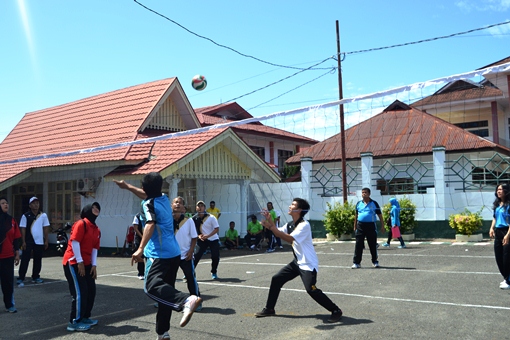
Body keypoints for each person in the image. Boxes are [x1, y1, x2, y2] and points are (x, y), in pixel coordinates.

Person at [114, 174, 201, 340]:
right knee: (164, 295)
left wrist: (140, 248)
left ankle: (186, 300)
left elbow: (150, 224)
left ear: (145, 188)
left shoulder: (148, 204)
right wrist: (127, 187)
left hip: (158, 254)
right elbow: (146, 194)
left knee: (151, 286)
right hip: (174, 253)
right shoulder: (163, 197)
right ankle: (163, 333)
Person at [255, 198, 343, 323]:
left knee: (310, 289)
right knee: (276, 279)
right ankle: (269, 309)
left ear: (299, 210)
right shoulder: (290, 224)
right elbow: (278, 231)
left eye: (293, 205)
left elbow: (289, 238)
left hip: (308, 263)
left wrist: (270, 226)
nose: (290, 206)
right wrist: (269, 219)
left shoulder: (304, 225)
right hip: (297, 262)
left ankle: (335, 310)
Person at [62, 202, 102, 332]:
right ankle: (74, 322)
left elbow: (95, 248)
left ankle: (85, 317)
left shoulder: (96, 229)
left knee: (91, 290)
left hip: (86, 263)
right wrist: (79, 262)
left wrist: (93, 265)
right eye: (93, 207)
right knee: (80, 292)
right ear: (87, 210)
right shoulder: (81, 223)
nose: (96, 209)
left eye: (98, 208)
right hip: (73, 262)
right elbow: (75, 242)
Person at [17, 196, 50, 286]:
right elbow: (23, 228)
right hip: (28, 241)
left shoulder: (43, 215)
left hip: (39, 241)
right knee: (25, 259)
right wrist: (23, 241)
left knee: (38, 259)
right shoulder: (26, 216)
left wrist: (46, 240)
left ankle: (36, 276)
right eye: (34, 203)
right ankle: (21, 277)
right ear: (30, 205)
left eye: (37, 203)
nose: (36, 205)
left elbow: (46, 228)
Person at [172, 196, 201, 300]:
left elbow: (194, 237)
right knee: (169, 279)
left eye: (180, 203)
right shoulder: (167, 221)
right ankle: (165, 301)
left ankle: (196, 300)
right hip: (171, 255)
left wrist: (191, 251)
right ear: (171, 205)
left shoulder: (188, 221)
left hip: (185, 255)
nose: (177, 204)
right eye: (175, 202)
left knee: (190, 278)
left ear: (183, 208)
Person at [352, 187, 384, 269]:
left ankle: (375, 261)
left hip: (371, 225)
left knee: (372, 244)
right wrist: (355, 225)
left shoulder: (374, 203)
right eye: (362, 192)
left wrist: (382, 226)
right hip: (360, 225)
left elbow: (380, 215)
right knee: (358, 244)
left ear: (369, 194)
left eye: (365, 192)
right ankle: (356, 262)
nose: (364, 194)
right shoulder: (359, 203)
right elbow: (356, 215)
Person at [0, 197, 21, 313]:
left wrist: (17, 253)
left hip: (8, 256)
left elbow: (15, 239)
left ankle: (10, 305)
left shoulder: (11, 221)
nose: (6, 205)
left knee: (8, 282)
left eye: (7, 203)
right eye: (3, 203)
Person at [489, 184, 510, 289]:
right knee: (499, 257)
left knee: (507, 258)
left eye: (501, 189)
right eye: (497, 189)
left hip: (507, 231)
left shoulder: (509, 205)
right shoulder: (497, 204)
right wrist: (492, 228)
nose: (498, 191)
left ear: (506, 191)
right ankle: (506, 278)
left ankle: (509, 280)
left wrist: (507, 235)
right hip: (498, 232)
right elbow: (495, 218)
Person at [193, 201, 220, 280]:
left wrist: (208, 235)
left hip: (213, 238)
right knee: (196, 255)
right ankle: (190, 271)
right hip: (202, 239)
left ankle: (214, 272)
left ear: (204, 208)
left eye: (202, 206)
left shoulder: (211, 217)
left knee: (215, 256)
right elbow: (192, 230)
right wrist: (198, 236)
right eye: (198, 206)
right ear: (196, 208)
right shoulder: (194, 218)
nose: (200, 207)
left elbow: (216, 229)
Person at [132, 213, 145, 279]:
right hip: (139, 239)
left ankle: (150, 273)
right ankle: (141, 273)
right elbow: (135, 228)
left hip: (148, 239)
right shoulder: (137, 216)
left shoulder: (150, 215)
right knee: (140, 257)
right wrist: (143, 237)